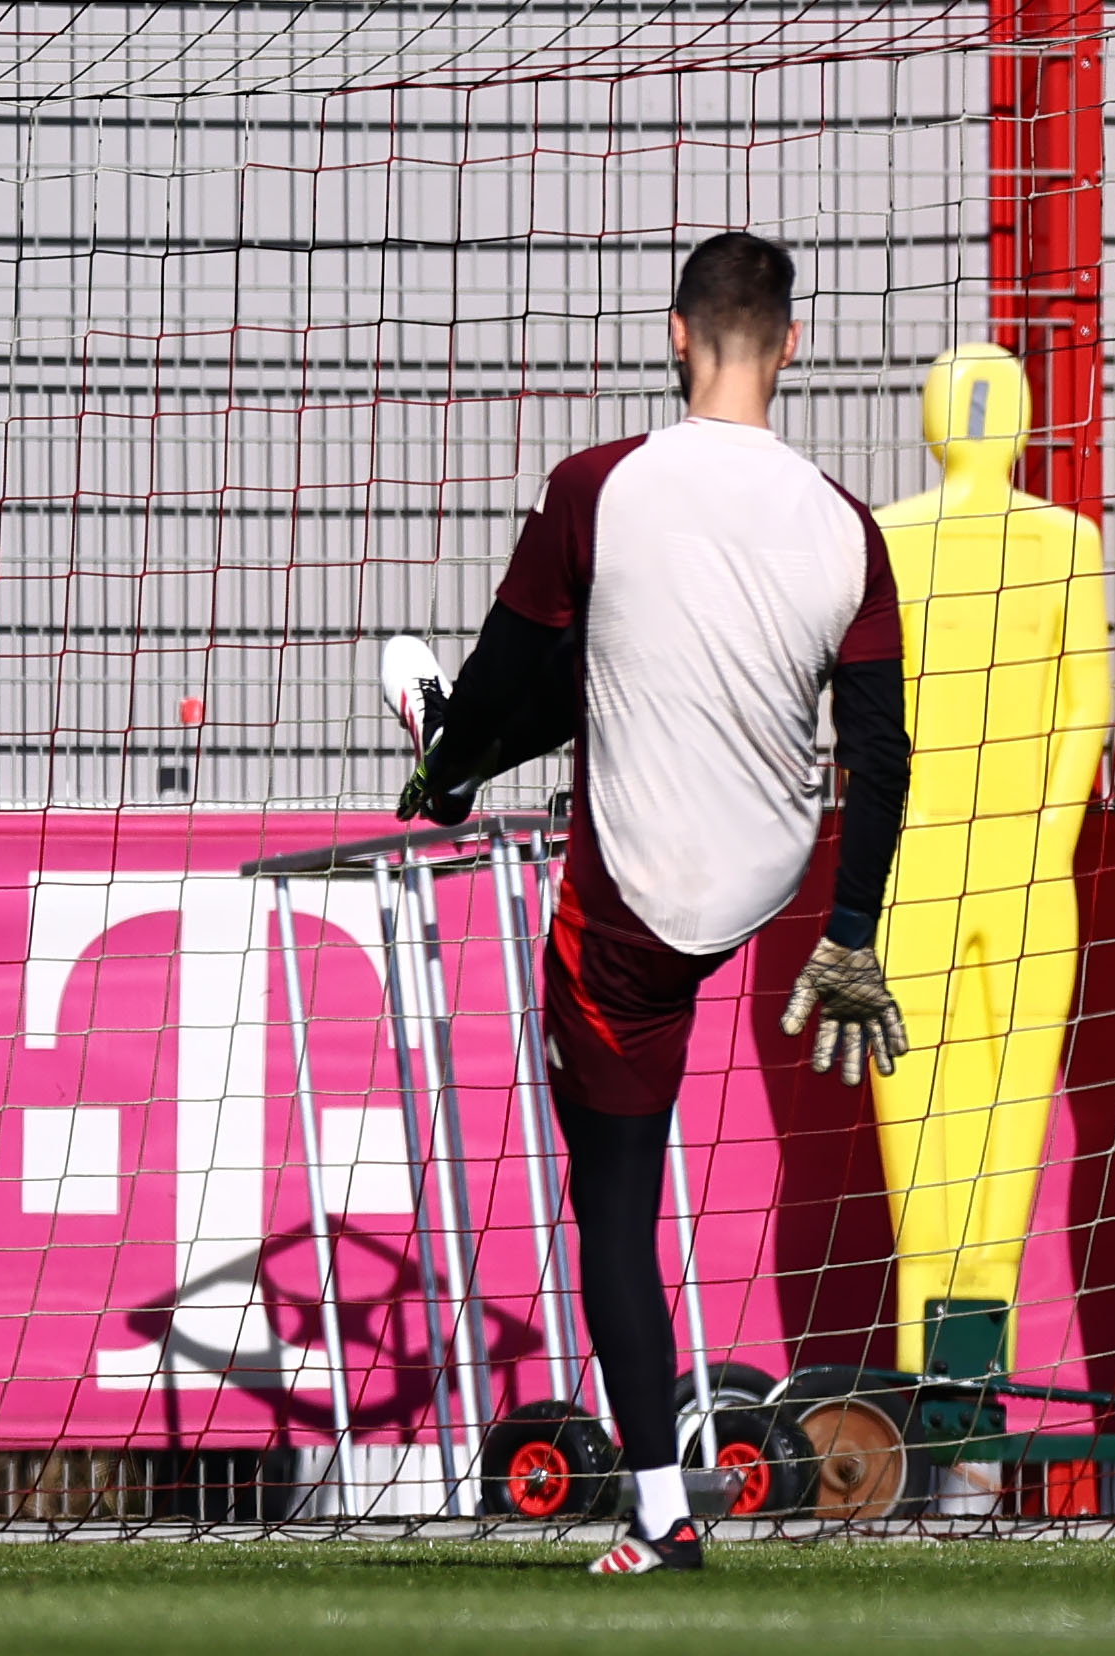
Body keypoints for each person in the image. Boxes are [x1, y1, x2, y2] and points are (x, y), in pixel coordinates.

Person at [387, 232, 913, 1573]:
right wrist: (850, 934)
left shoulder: (596, 486)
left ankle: (664, 1517)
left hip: (631, 900)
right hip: (767, 876)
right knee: (617, 669)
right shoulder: (846, 524)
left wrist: (449, 769)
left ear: (675, 335)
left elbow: (517, 666)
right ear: (789, 346)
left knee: (611, 1202)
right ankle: (452, 756)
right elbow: (881, 750)